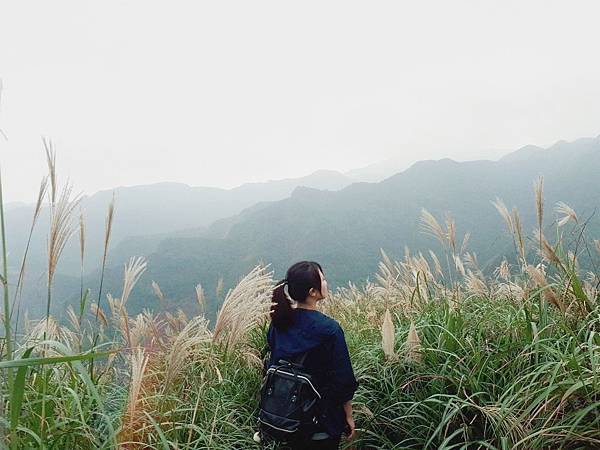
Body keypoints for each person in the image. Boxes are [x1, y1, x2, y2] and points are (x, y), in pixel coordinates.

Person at [264, 261, 359, 450]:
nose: (326, 282)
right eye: (322, 279)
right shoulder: (330, 329)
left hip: (284, 419)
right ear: (312, 292)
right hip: (321, 422)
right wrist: (348, 415)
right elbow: (343, 381)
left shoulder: (279, 323)